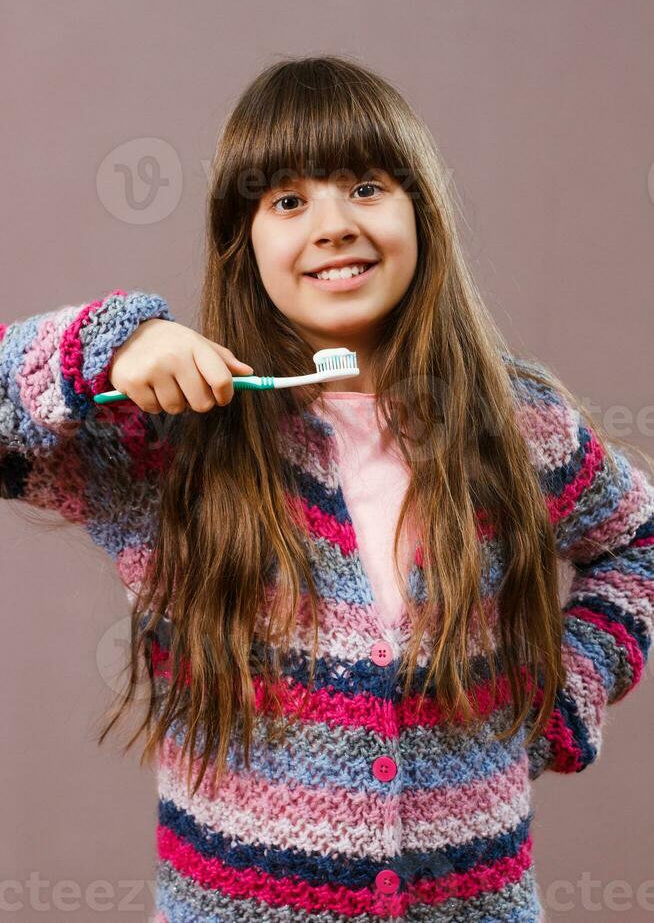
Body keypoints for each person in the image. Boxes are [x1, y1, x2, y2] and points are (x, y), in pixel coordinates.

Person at [2, 54, 653, 923]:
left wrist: (566, 691)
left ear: (421, 211)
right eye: (287, 201)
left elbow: (637, 541)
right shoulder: (177, 435)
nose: (333, 224)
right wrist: (107, 343)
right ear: (245, 243)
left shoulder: (513, 419)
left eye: (367, 187)